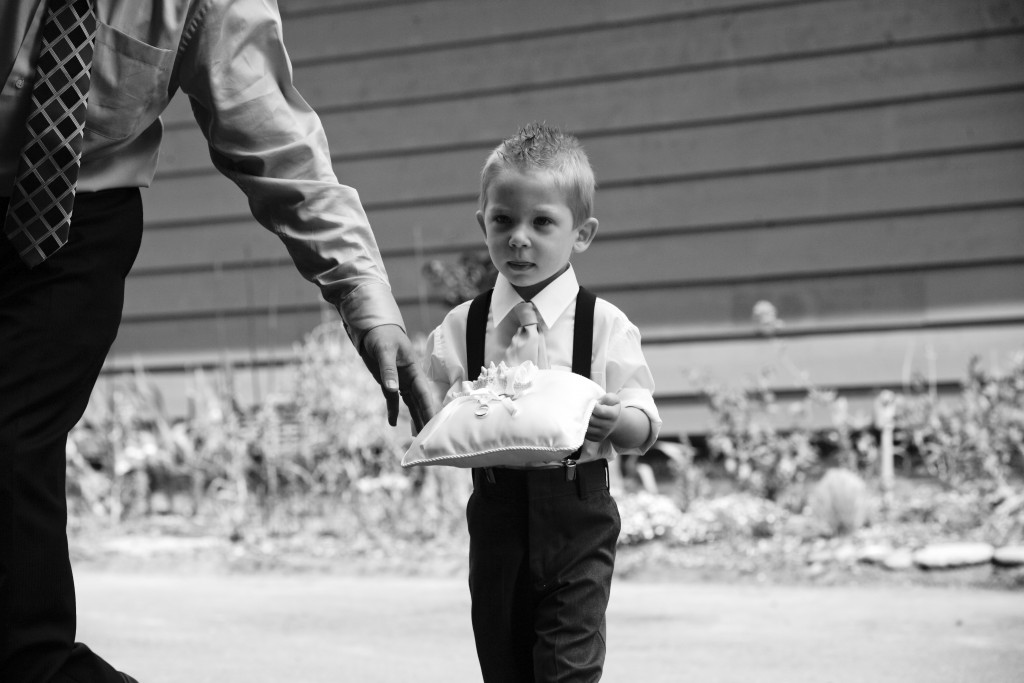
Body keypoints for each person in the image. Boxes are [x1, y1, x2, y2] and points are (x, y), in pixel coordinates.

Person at [0, 1, 434, 682]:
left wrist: (369, 305)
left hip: (69, 225)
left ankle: (33, 660)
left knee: (9, 436)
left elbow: (281, 145)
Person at [423, 122, 662, 682]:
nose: (519, 238)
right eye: (503, 221)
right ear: (483, 223)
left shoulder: (604, 326)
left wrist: (617, 419)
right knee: (503, 662)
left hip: (576, 512)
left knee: (566, 667)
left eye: (542, 222)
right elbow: (438, 405)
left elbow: (643, 419)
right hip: (496, 513)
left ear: (581, 234)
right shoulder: (463, 327)